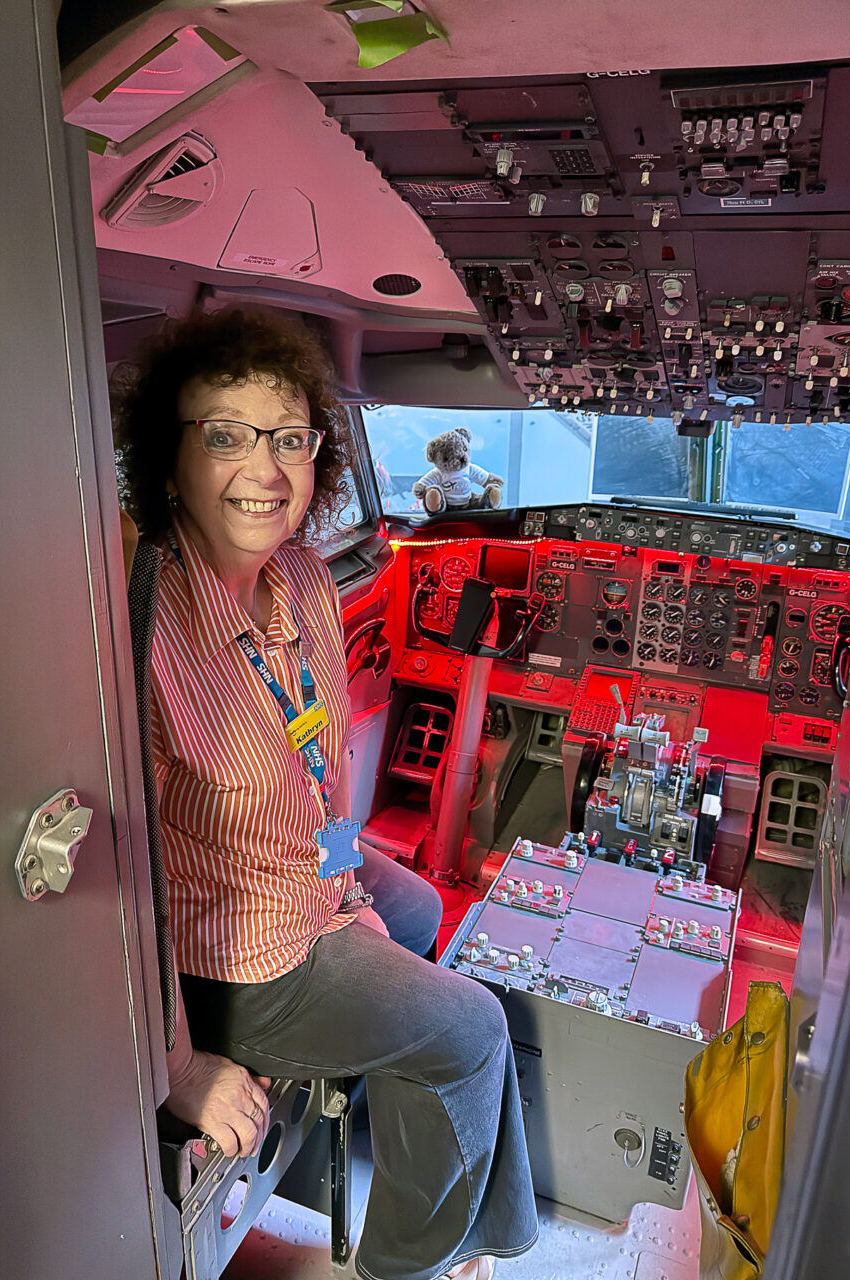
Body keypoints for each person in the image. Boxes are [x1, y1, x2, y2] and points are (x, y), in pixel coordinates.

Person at [115, 309, 538, 1280]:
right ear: (168, 457)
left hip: (307, 879)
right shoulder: (142, 626)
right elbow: (125, 886)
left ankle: (413, 1149)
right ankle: (411, 1259)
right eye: (226, 435)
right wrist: (178, 1067)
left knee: (418, 906)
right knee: (475, 1028)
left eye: (290, 439)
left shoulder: (302, 578)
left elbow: (325, 773)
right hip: (237, 956)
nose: (264, 470)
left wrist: (350, 889)